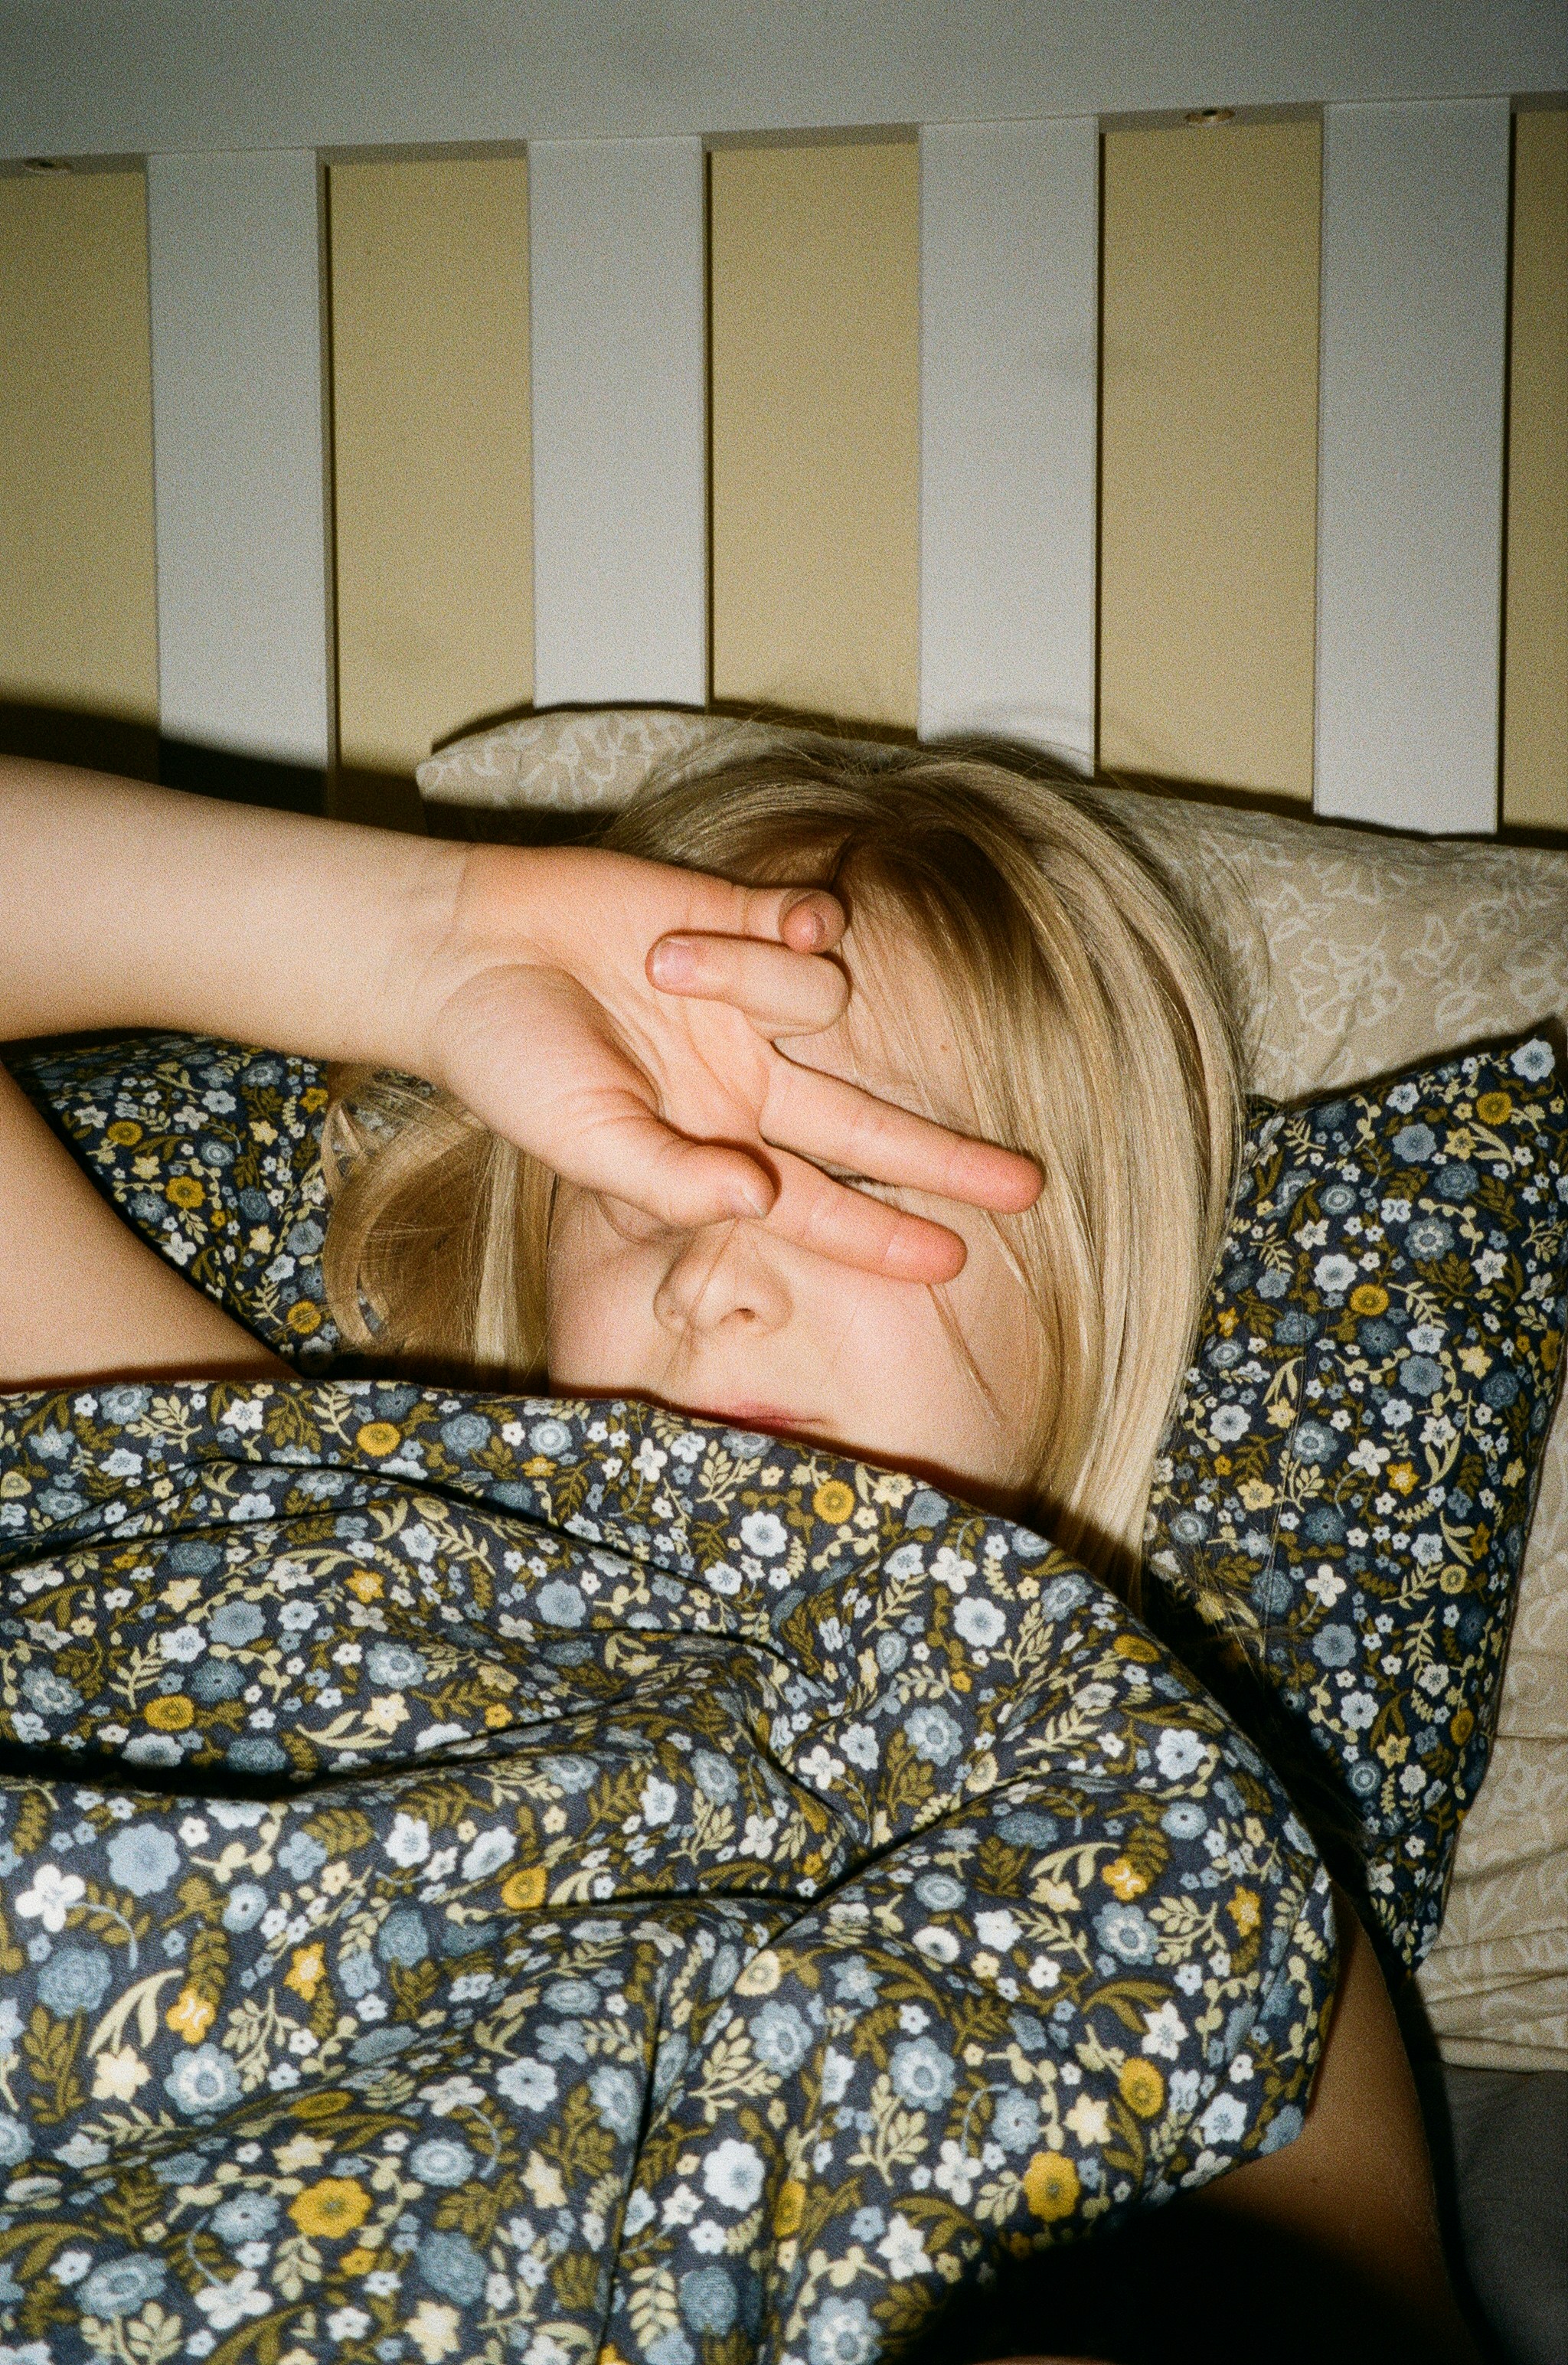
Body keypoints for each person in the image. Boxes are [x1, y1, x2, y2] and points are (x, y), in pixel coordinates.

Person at [0, 743, 1476, 2360]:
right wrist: (427, 940)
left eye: (852, 1168)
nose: (714, 1265)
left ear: (1088, 1283)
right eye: (644, 1169)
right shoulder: (291, 1490)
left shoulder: (1173, 1813)